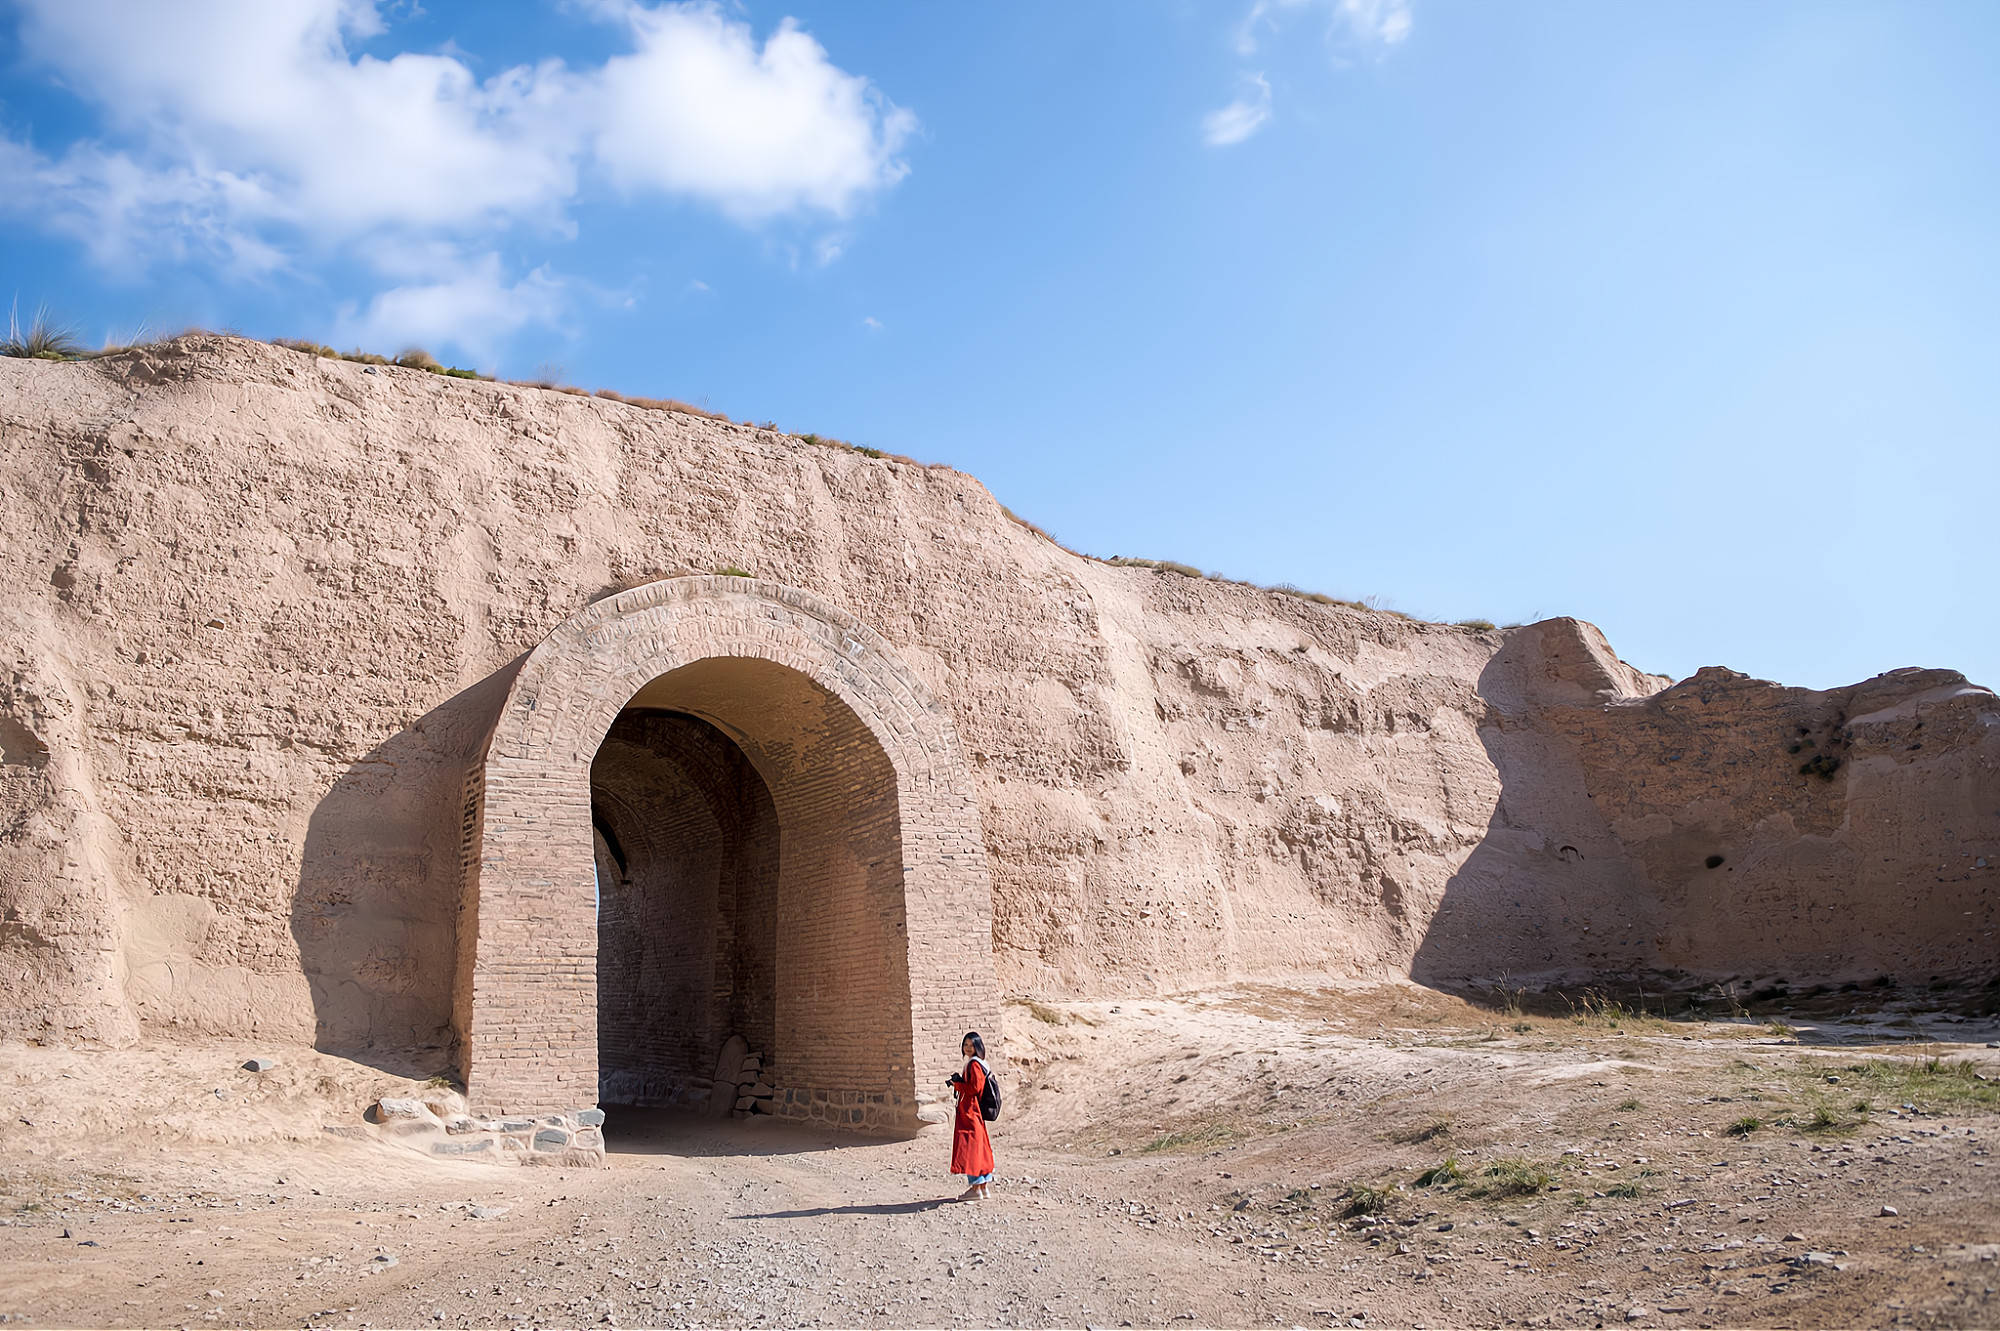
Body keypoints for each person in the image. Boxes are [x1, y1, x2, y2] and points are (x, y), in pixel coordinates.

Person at [947, 1031, 994, 1201]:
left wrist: (957, 1085)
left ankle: (975, 1189)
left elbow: (974, 1088)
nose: (967, 1048)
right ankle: (983, 1187)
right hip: (974, 1112)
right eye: (965, 1045)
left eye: (971, 1045)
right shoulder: (980, 1063)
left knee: (971, 1149)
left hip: (970, 1111)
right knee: (980, 1147)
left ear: (978, 1046)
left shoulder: (974, 1065)